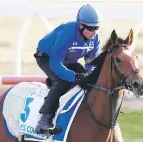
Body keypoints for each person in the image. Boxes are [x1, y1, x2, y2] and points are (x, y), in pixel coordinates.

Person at [34, 4, 102, 134]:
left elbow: (91, 64)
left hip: (67, 60)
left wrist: (88, 74)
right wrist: (73, 76)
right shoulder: (69, 32)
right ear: (80, 25)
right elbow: (55, 62)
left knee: (88, 79)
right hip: (47, 57)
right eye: (90, 28)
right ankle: (45, 117)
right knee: (62, 80)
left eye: (96, 28)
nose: (93, 32)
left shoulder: (95, 40)